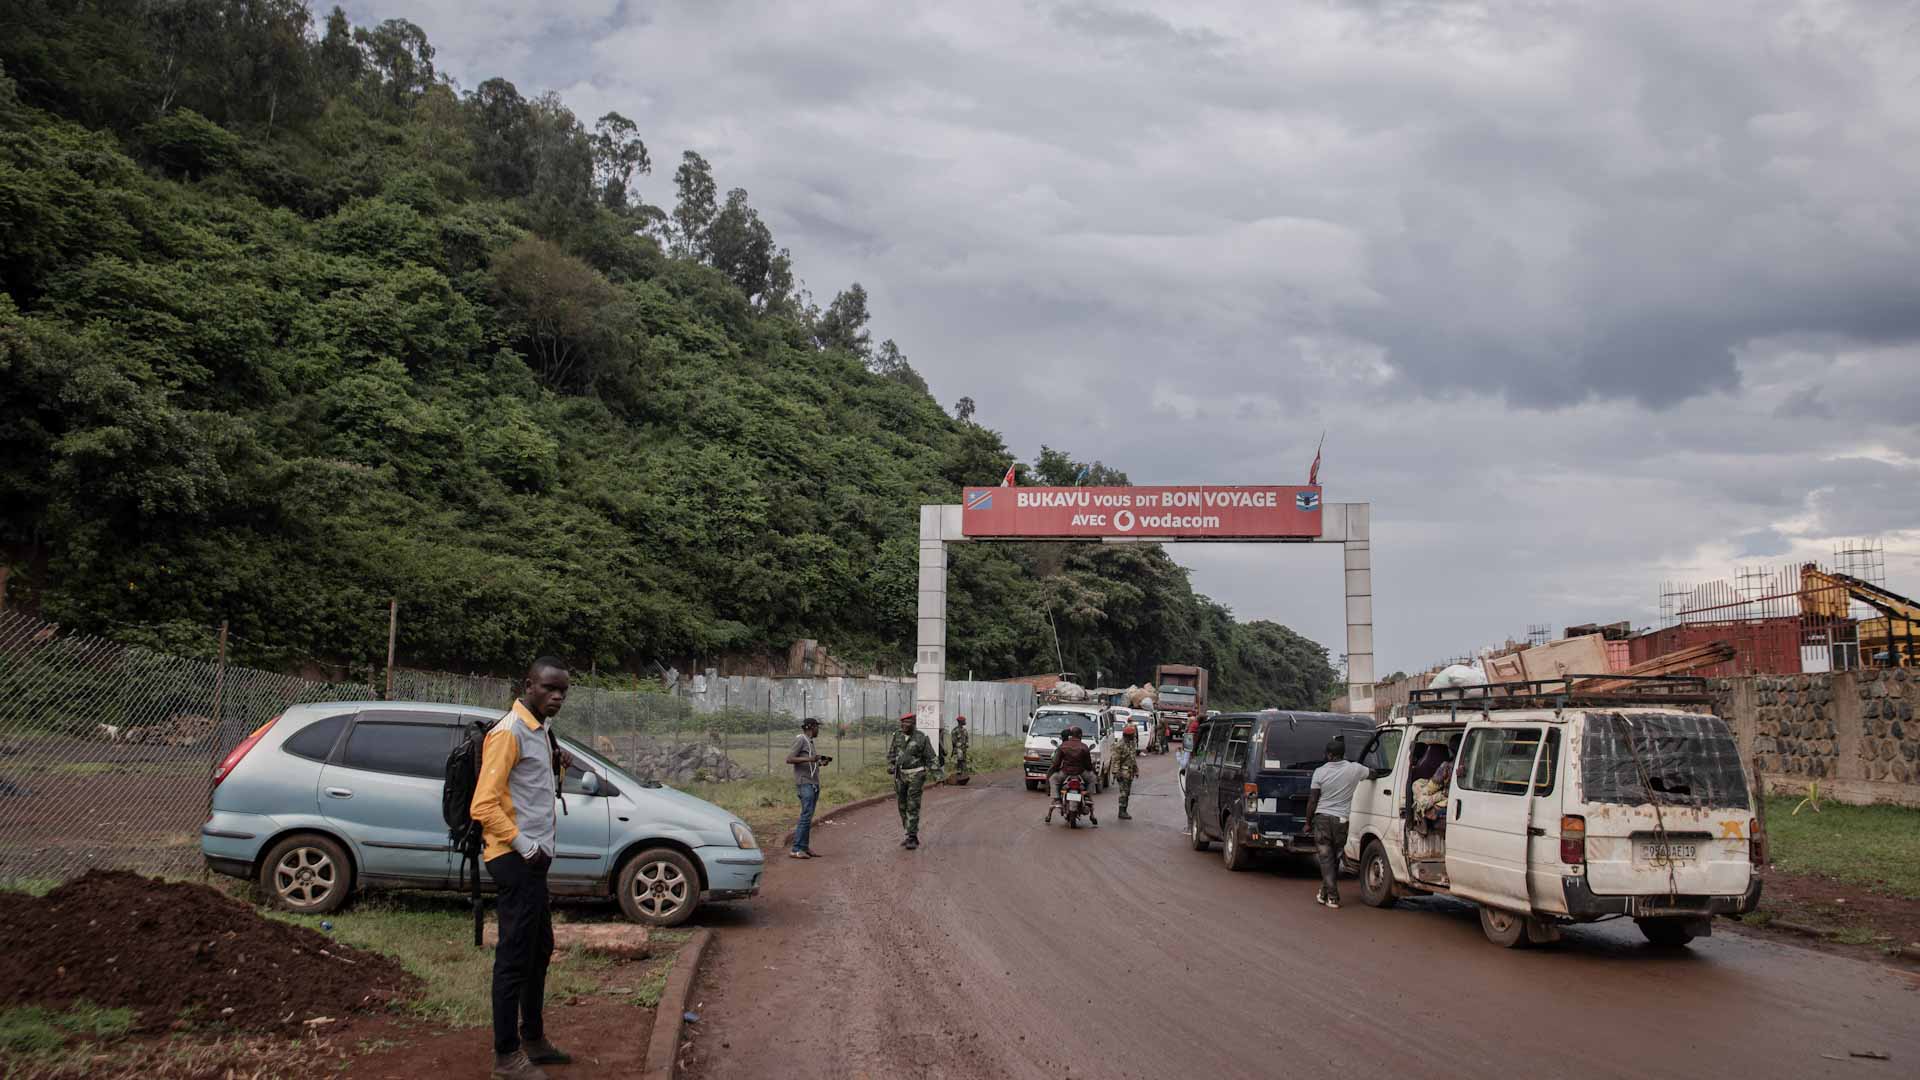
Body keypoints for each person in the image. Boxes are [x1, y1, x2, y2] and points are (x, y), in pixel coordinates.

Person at [471, 657, 574, 1080]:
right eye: (549, 688)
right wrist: (526, 845)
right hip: (515, 860)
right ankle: (506, 1057)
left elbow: (530, 790)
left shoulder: (540, 731)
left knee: (539, 949)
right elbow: (483, 805)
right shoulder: (509, 733)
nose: (557, 697)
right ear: (528, 685)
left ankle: (533, 1038)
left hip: (533, 861)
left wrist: (558, 765)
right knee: (514, 958)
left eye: (563, 691)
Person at [1302, 736, 1371, 910]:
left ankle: (1332, 896)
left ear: (1329, 755)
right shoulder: (1355, 769)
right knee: (1334, 858)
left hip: (1322, 819)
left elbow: (1312, 800)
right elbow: (1373, 773)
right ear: (1343, 754)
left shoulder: (1320, 772)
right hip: (1342, 821)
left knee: (1326, 858)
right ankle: (1323, 893)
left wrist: (1307, 822)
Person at [886, 712, 937, 849]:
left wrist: (938, 776)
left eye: (907, 723)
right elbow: (892, 754)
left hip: (916, 775)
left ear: (913, 724)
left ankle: (912, 836)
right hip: (901, 775)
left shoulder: (921, 738)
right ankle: (908, 831)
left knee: (913, 804)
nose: (904, 725)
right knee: (902, 805)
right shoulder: (897, 736)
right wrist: (891, 766)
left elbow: (931, 757)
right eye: (902, 723)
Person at [785, 717, 831, 859]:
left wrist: (819, 763)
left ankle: (804, 847)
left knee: (808, 816)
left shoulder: (809, 742)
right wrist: (810, 759)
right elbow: (789, 759)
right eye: (817, 727)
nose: (818, 730)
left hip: (812, 782)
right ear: (811, 727)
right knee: (806, 816)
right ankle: (796, 849)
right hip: (805, 783)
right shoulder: (801, 739)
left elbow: (809, 763)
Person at [1043, 725, 1098, 826]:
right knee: (1093, 778)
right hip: (1080, 773)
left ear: (1071, 735)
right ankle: (1087, 796)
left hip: (1065, 773)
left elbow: (1056, 764)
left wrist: (1055, 770)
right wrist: (1091, 770)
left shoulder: (1063, 746)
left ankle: (1057, 799)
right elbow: (1088, 765)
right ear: (1080, 735)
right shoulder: (1084, 747)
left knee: (1053, 779)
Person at [1111, 724, 1140, 819]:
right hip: (1122, 772)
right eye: (1132, 735)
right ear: (1128, 735)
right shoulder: (1120, 745)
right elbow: (1116, 760)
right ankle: (1122, 811)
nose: (1134, 736)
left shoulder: (1131, 744)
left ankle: (1124, 810)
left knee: (1127, 792)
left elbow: (1133, 758)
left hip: (1129, 772)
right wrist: (1116, 772)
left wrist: (1136, 770)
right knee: (1123, 793)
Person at [949, 714, 970, 780]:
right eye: (964, 720)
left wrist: (966, 744)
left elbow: (967, 738)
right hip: (958, 749)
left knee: (964, 762)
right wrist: (958, 746)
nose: (965, 722)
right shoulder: (955, 730)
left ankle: (963, 776)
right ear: (960, 722)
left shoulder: (965, 730)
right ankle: (959, 774)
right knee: (959, 762)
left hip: (964, 749)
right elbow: (954, 741)